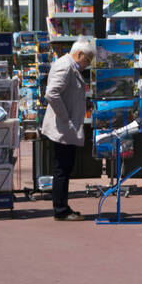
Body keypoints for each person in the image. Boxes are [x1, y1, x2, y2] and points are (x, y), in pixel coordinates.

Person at [41, 37, 96, 221]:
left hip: (67, 127)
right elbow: (52, 93)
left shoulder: (69, 66)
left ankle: (62, 207)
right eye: (87, 60)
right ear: (79, 54)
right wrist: (66, 117)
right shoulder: (65, 66)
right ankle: (61, 210)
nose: (88, 65)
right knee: (62, 169)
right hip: (62, 127)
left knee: (65, 167)